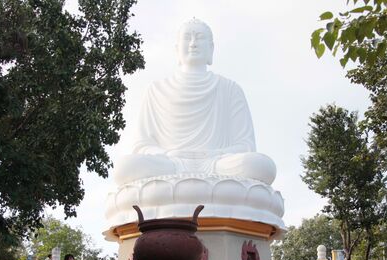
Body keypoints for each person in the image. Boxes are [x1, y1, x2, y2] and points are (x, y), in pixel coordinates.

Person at [113, 18, 277, 186]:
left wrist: (216, 154)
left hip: (216, 165)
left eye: (199, 37)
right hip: (170, 164)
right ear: (177, 48)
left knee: (260, 166)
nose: (193, 44)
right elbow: (142, 145)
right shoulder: (156, 89)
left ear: (211, 48)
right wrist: (167, 154)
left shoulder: (229, 89)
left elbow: (245, 145)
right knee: (124, 168)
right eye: (187, 38)